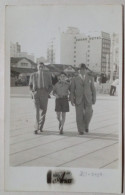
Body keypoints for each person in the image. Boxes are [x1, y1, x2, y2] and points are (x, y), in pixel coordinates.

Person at [70, 63, 96, 135]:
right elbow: (72, 90)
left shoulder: (90, 78)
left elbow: (93, 89)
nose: (82, 70)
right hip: (78, 99)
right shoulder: (74, 79)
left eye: (84, 69)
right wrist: (72, 99)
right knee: (79, 115)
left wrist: (94, 98)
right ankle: (80, 130)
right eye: (81, 69)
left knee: (89, 113)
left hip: (88, 99)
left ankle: (86, 125)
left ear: (86, 70)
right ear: (78, 70)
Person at [29, 62, 53, 134]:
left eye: (42, 66)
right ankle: (36, 128)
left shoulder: (48, 75)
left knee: (43, 111)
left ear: (44, 67)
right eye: (39, 66)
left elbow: (51, 86)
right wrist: (32, 93)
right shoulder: (33, 75)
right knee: (37, 111)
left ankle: (41, 127)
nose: (40, 68)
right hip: (36, 93)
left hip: (44, 93)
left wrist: (47, 93)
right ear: (37, 67)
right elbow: (30, 85)